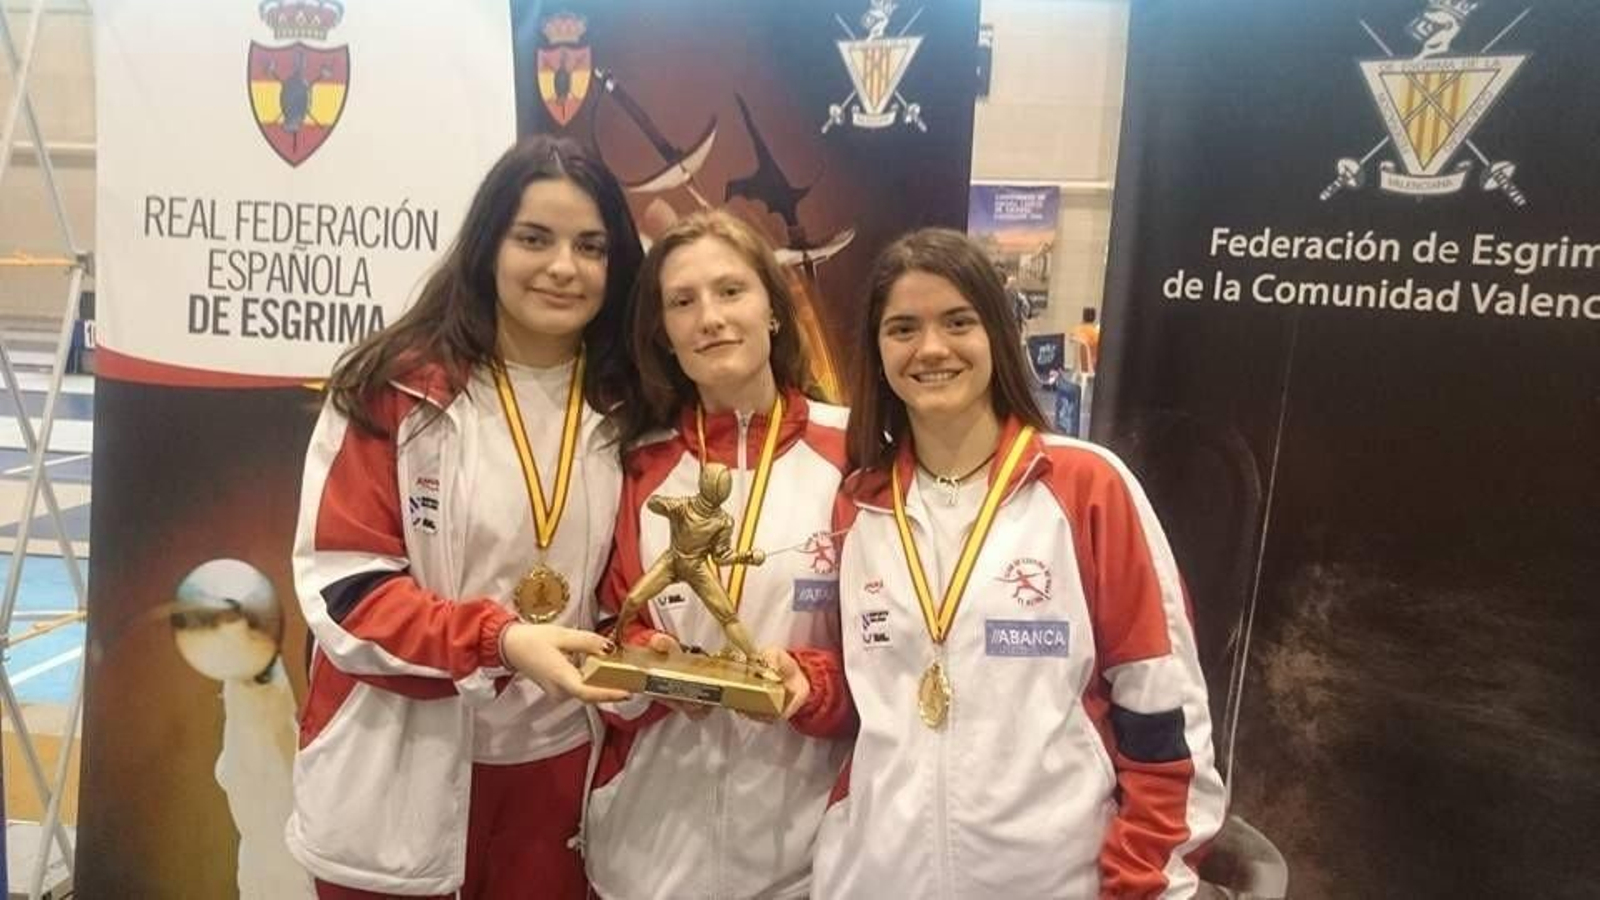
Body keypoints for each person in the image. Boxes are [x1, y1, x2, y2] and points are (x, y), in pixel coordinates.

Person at [814, 228, 1225, 899]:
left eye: (957, 322)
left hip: (1054, 882)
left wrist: (1144, 885)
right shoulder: (859, 507)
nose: (932, 349)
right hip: (877, 879)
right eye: (903, 328)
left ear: (997, 335)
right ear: (877, 349)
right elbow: (862, 707)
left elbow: (1163, 719)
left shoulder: (1087, 487)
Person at [287, 135, 642, 900]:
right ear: (488, 246)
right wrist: (501, 640)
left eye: (591, 246)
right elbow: (346, 590)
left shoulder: (633, 407)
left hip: (554, 774)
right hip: (395, 767)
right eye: (534, 239)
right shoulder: (399, 390)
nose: (563, 267)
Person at [586, 209, 855, 900]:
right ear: (663, 334)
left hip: (807, 858)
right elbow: (606, 621)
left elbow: (899, 652)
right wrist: (650, 668)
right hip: (649, 857)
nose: (710, 317)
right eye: (683, 301)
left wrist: (811, 684)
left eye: (731, 291)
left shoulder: (855, 455)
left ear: (773, 308)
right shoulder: (632, 463)